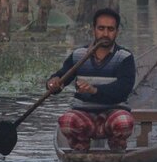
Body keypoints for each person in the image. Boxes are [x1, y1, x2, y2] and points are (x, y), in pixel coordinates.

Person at [46, 8, 136, 152]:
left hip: (113, 114)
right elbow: (62, 77)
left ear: (117, 32)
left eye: (110, 29)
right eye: (101, 28)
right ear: (94, 30)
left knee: (124, 122)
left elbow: (123, 89)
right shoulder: (78, 55)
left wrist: (94, 90)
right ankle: (80, 148)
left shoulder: (124, 57)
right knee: (67, 121)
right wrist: (53, 82)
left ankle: (116, 147)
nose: (105, 34)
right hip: (84, 115)